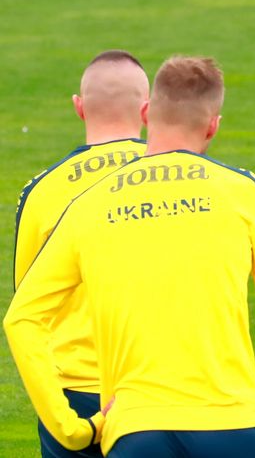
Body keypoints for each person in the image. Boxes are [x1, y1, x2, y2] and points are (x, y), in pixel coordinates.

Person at [5, 56, 255, 458]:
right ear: (213, 126)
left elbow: (23, 317)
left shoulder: (84, 203)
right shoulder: (240, 191)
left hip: (128, 423)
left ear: (148, 113)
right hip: (234, 423)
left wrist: (72, 430)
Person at [13, 50, 148, 458]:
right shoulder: (185, 180)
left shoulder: (41, 192)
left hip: (72, 393)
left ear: (79, 107)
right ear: (147, 110)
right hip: (155, 386)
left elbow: (28, 304)